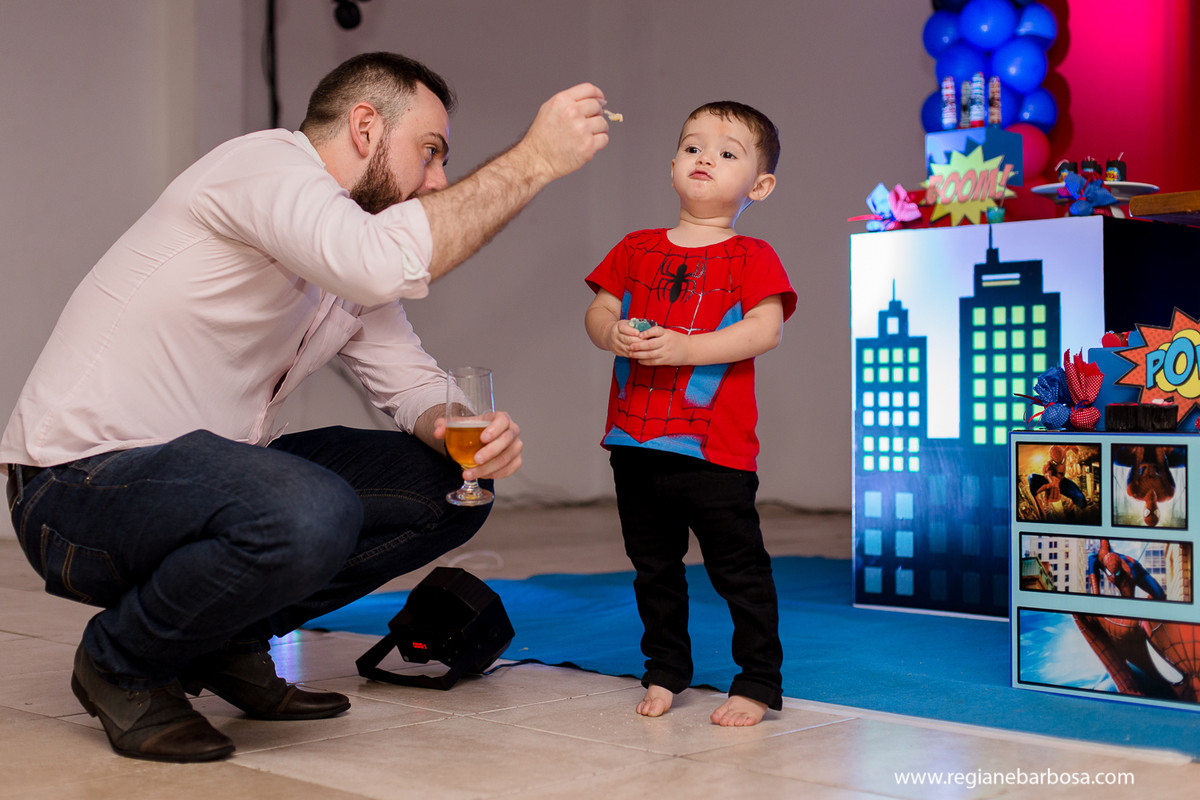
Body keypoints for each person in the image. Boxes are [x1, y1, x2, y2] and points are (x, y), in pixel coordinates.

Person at [2, 51, 610, 763]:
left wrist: (455, 427)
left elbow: (408, 381)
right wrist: (534, 160)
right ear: (363, 127)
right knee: (307, 509)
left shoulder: (343, 248)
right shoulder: (263, 167)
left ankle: (223, 639)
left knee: (453, 491)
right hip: (75, 488)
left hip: (207, 481)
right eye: (431, 151)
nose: (438, 179)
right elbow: (378, 262)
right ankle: (119, 662)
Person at [583, 101, 796, 726]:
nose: (706, 158)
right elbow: (599, 310)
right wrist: (611, 333)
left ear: (759, 186)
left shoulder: (754, 255)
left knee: (739, 572)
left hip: (714, 451)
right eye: (694, 146)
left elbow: (765, 331)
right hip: (635, 440)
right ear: (673, 164)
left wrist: (686, 349)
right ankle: (664, 669)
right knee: (653, 568)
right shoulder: (634, 247)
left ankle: (757, 682)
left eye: (728, 153)